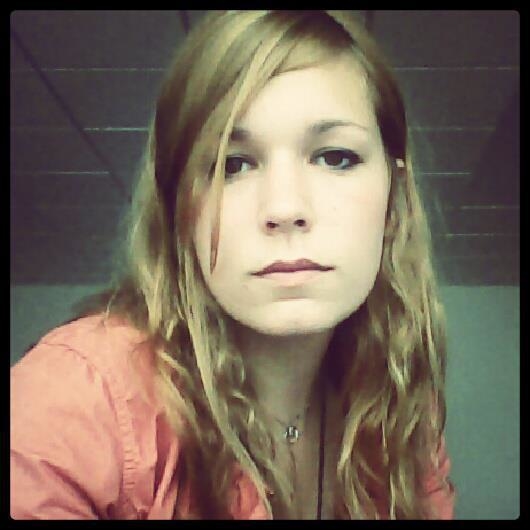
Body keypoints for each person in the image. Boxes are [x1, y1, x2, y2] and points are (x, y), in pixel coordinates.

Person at [10, 10, 456, 519]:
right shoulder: (75, 400)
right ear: (180, 210)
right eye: (232, 164)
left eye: (335, 157)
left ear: (395, 196)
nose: (285, 207)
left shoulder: (403, 412)